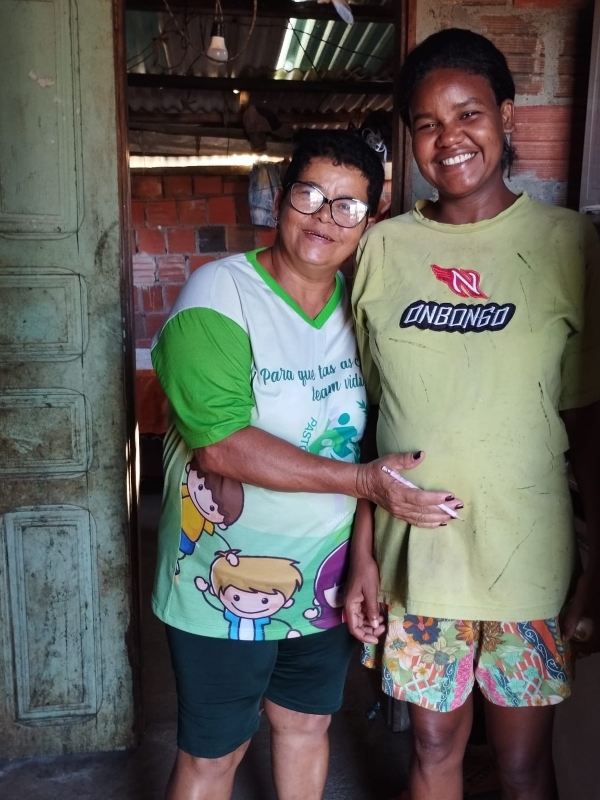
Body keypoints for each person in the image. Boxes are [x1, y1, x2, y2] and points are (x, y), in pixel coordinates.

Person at [346, 29, 600, 800]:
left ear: (506, 117)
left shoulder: (565, 242)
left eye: (468, 114)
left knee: (521, 765)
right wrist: (363, 556)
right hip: (418, 561)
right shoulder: (382, 250)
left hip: (526, 559)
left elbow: (593, 418)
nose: (449, 138)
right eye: (427, 123)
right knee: (432, 749)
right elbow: (365, 420)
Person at [150, 129, 459, 800]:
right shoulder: (219, 294)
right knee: (214, 756)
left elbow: (370, 438)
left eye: (348, 205)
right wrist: (363, 482)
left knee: (305, 728)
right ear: (280, 198)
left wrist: (363, 558)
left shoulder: (361, 309)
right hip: (219, 582)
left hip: (323, 578)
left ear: (370, 219)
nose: (325, 217)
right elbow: (221, 444)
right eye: (310, 195)